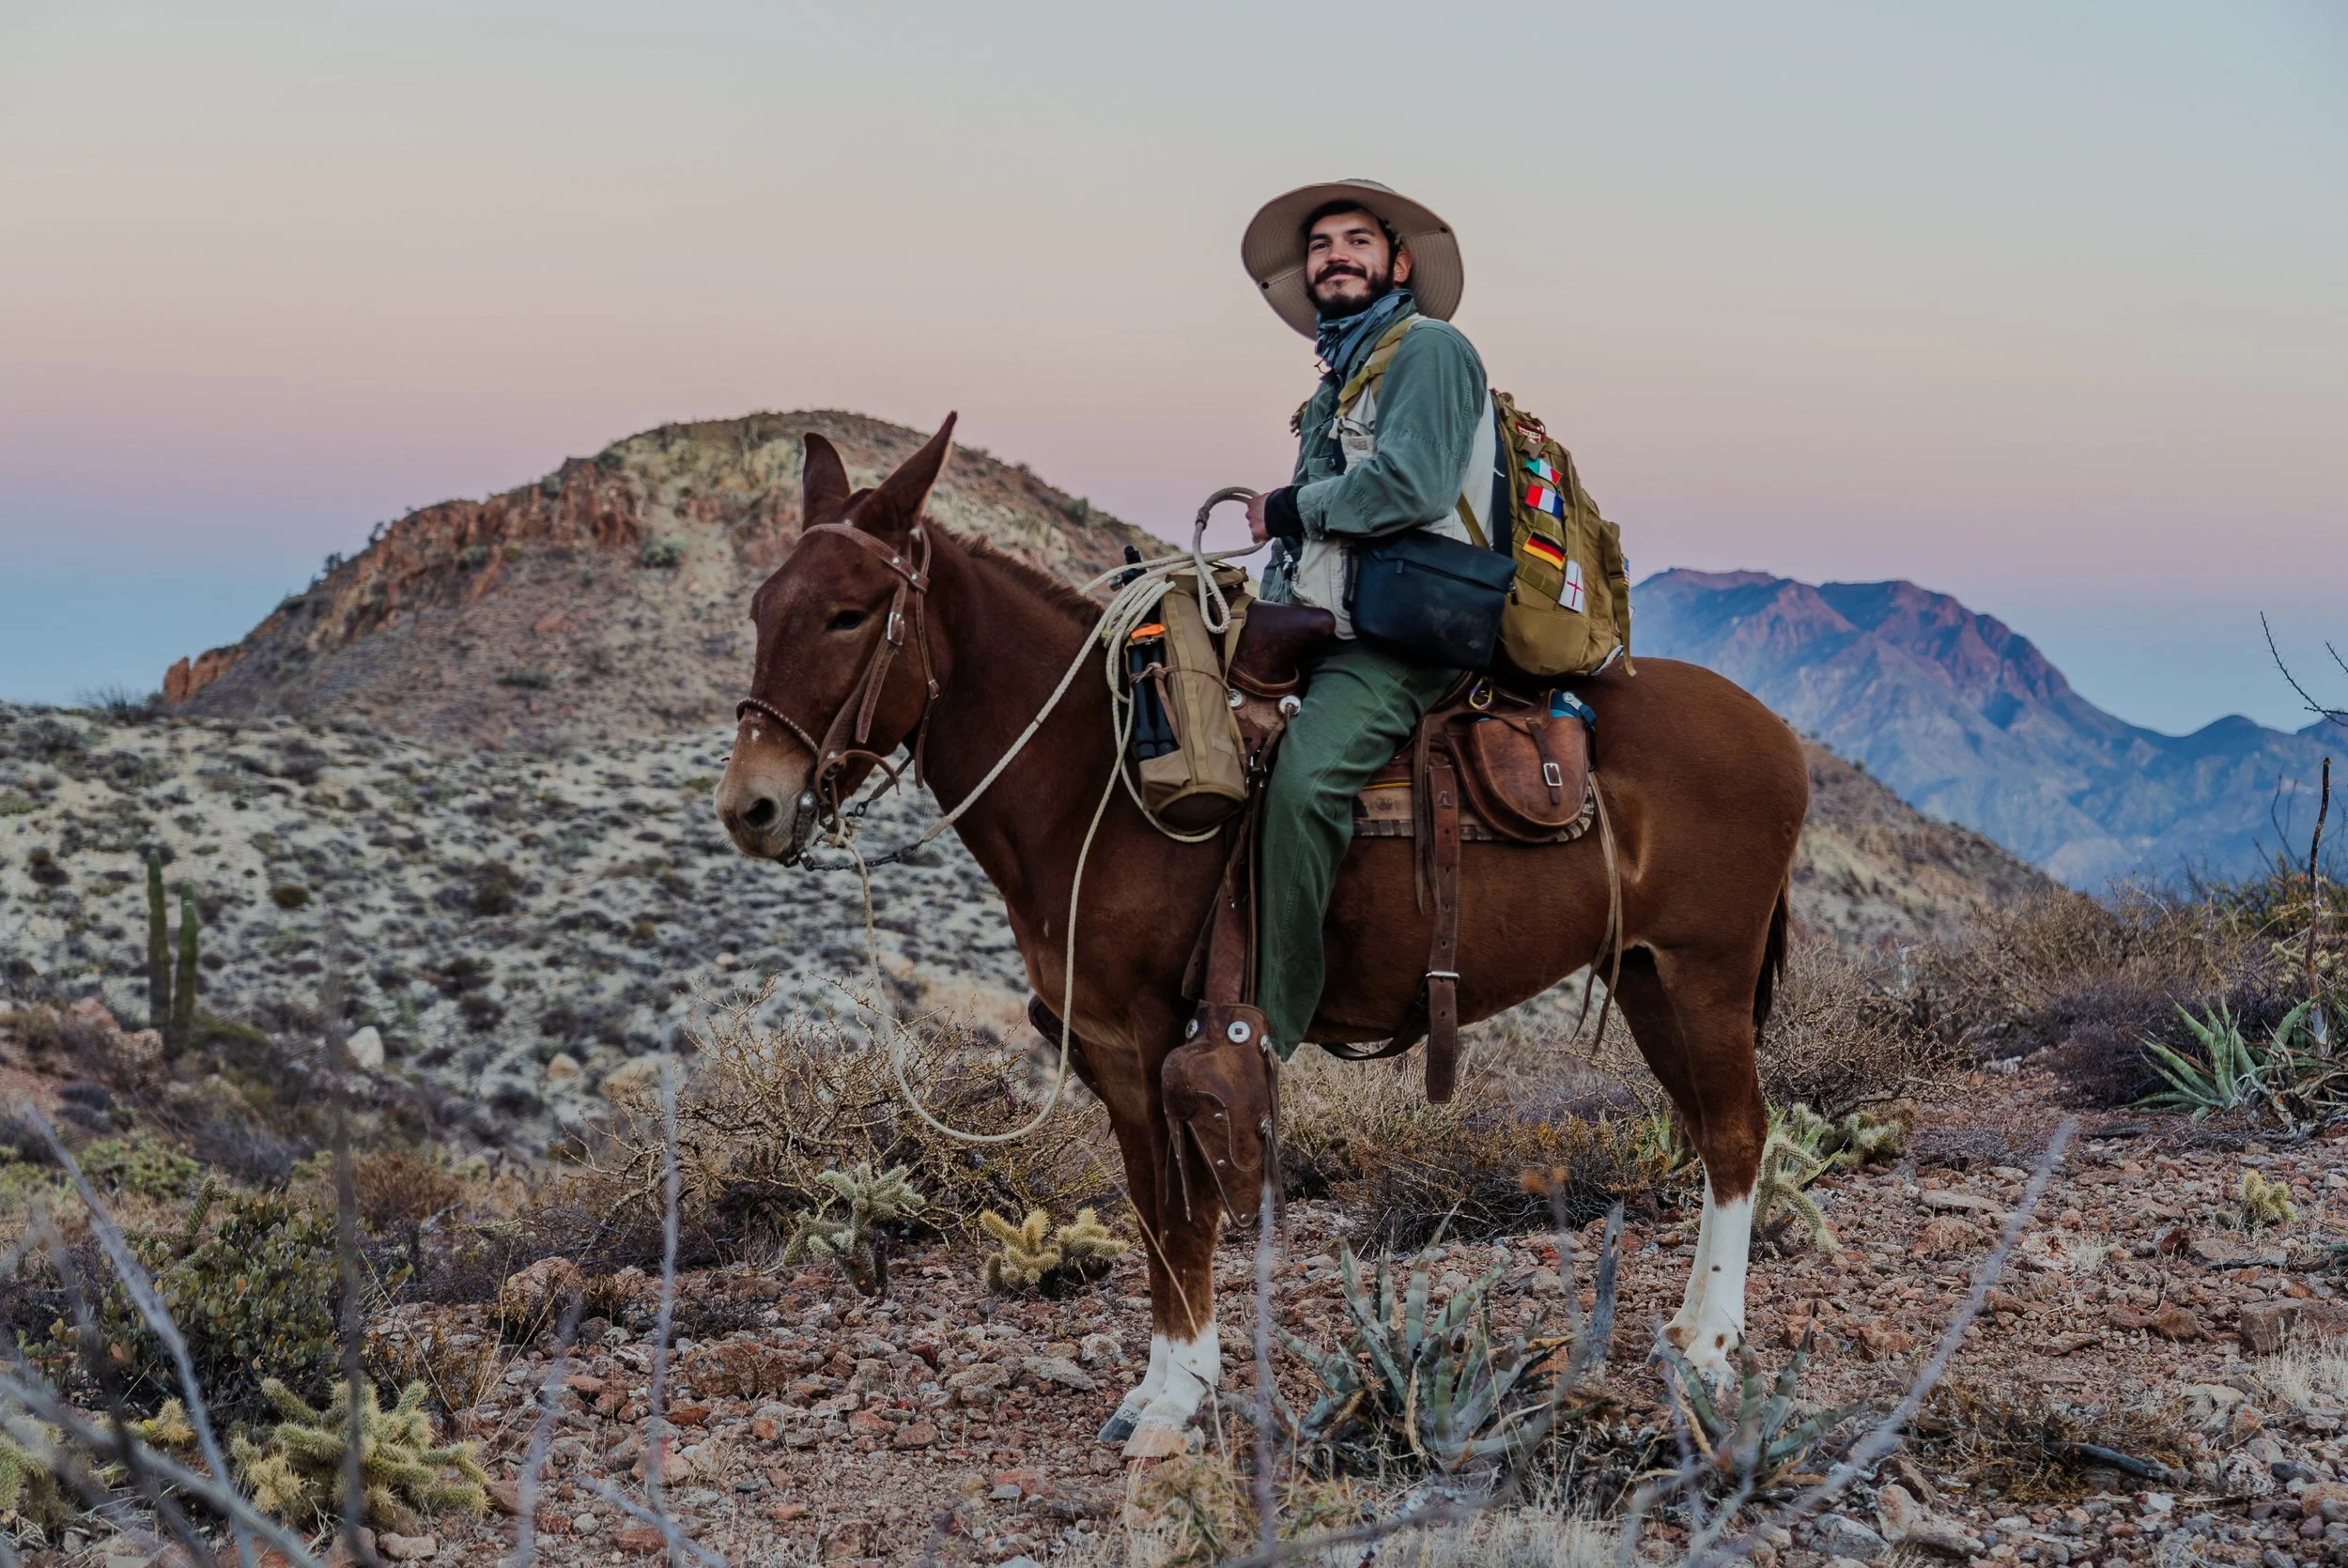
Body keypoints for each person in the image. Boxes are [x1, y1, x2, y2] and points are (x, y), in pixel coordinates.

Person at [1238, 180, 1497, 1061]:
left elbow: (1416, 485)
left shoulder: (1427, 348)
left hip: (1401, 637)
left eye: (1355, 240)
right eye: (1319, 246)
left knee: (1305, 786)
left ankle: (1268, 1025)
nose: (1334, 255)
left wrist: (1284, 508)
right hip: (1329, 624)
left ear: (1399, 263)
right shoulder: (1342, 372)